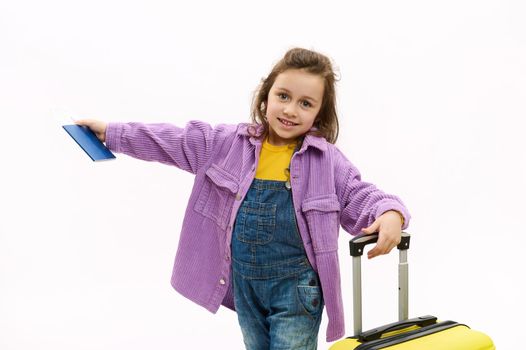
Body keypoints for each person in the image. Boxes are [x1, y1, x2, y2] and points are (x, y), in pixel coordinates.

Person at [75, 47, 410, 349]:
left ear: (318, 115)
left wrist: (391, 212)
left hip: (297, 291)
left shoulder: (327, 162)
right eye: (283, 96)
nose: (290, 110)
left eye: (305, 103)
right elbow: (171, 140)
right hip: (244, 287)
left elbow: (360, 194)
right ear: (265, 98)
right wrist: (112, 133)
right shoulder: (225, 144)